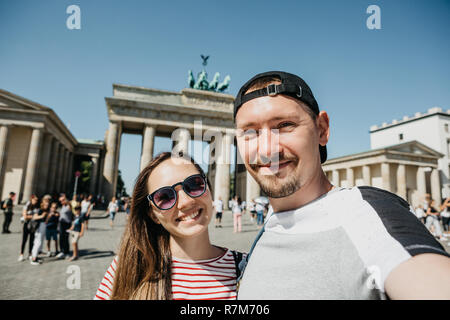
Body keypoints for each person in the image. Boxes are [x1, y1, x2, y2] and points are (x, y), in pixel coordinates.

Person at [233, 71, 450, 299]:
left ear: (322, 130)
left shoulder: (368, 217)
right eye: (250, 132)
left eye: (286, 125)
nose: (268, 151)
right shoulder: (270, 225)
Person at [94, 152, 245, 300]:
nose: (185, 202)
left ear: (208, 188)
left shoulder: (248, 268)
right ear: (153, 214)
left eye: (194, 184)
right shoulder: (129, 267)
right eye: (164, 197)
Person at [18, 194, 39, 261]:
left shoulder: (37, 207)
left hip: (33, 226)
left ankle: (30, 254)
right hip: (27, 225)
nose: (36, 201)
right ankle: (21, 254)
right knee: (24, 240)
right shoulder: (26, 206)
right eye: (35, 200)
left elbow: (37, 215)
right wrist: (32, 216)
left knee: (31, 240)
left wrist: (30, 216)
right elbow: (25, 216)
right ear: (31, 199)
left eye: (37, 200)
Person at [30, 199, 49, 265]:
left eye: (47, 204)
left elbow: (46, 221)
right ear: (43, 204)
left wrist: (48, 216)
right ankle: (33, 259)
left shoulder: (45, 210)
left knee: (39, 241)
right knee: (38, 242)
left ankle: (34, 256)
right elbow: (34, 217)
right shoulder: (40, 210)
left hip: (43, 225)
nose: (47, 206)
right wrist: (42, 216)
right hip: (39, 227)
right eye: (46, 204)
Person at [56, 194, 73, 259]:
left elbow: (70, 211)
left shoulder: (69, 206)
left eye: (62, 200)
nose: (61, 202)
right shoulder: (63, 206)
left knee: (65, 238)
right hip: (61, 223)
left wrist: (66, 200)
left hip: (67, 224)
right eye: (60, 201)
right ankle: (62, 251)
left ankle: (67, 252)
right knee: (61, 238)